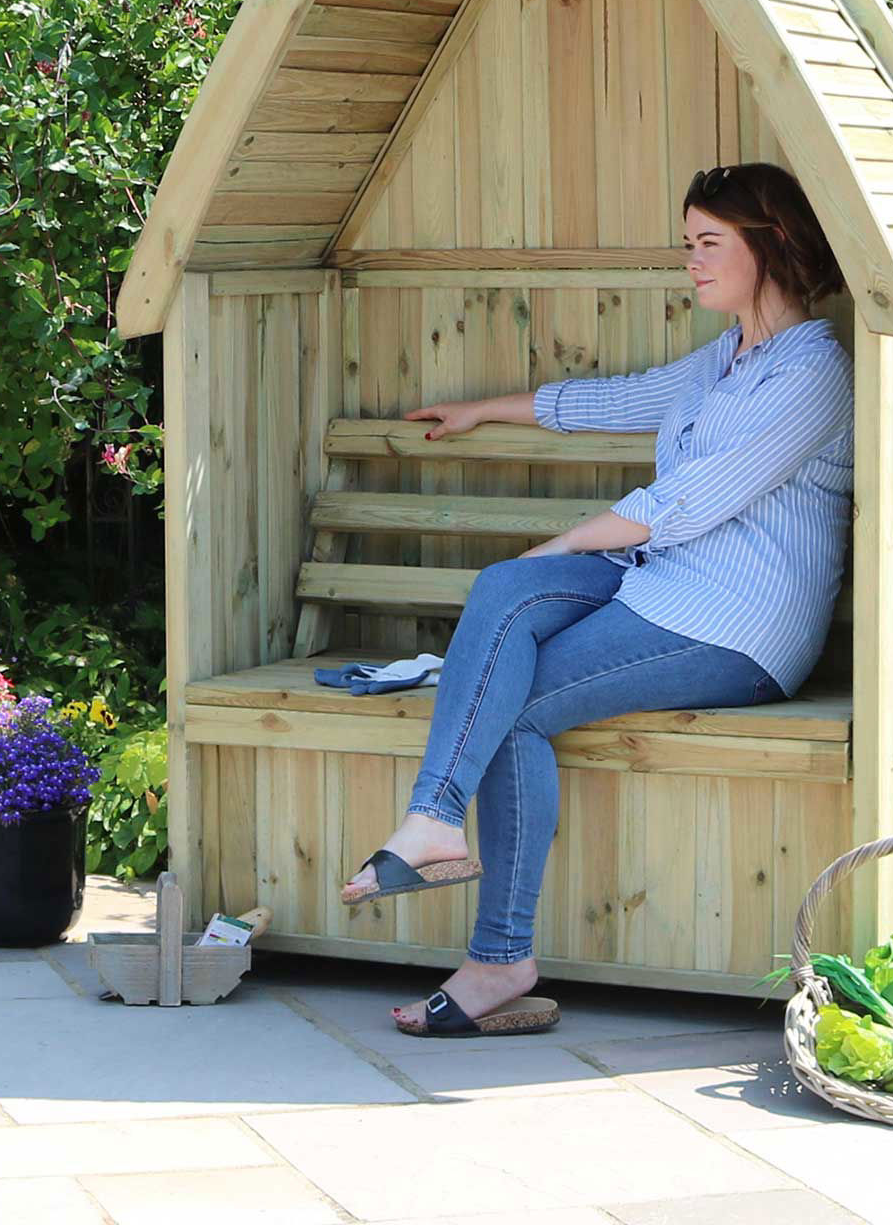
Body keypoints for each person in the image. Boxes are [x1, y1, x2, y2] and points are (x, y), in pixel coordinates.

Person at [341, 162, 855, 1036]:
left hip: (739, 627)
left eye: (707, 244)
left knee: (518, 704)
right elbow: (611, 400)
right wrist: (482, 410)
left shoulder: (812, 370)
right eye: (686, 243)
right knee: (508, 586)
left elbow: (690, 500)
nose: (689, 262)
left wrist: (570, 538)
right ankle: (432, 823)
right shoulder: (724, 359)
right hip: (663, 587)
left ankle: (498, 955)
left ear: (769, 246)